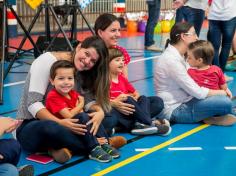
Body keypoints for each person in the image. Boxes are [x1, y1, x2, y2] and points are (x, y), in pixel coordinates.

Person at [15, 36, 122, 164]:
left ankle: (61, 149)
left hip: (68, 122)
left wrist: (99, 112)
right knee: (50, 128)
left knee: (109, 118)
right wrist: (61, 123)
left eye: (93, 61)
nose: (87, 61)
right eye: (86, 54)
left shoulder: (83, 70)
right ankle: (100, 143)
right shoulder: (47, 61)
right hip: (32, 125)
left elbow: (88, 102)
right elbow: (33, 104)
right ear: (79, 47)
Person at [94, 13, 165, 136]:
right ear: (100, 33)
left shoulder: (121, 52)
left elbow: (124, 81)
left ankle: (133, 124)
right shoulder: (93, 54)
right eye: (113, 31)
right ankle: (148, 123)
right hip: (104, 103)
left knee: (157, 102)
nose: (118, 34)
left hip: (123, 101)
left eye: (119, 30)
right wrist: (112, 103)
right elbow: (89, 93)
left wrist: (131, 96)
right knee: (109, 117)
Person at [154, 22, 236, 125]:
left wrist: (222, 88)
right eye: (194, 34)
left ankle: (208, 117)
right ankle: (209, 117)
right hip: (175, 110)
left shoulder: (180, 55)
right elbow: (198, 92)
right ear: (183, 36)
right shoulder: (171, 60)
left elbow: (197, 81)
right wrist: (222, 92)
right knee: (225, 102)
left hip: (187, 100)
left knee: (221, 99)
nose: (197, 37)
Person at [45, 60, 120, 162]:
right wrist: (81, 103)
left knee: (91, 116)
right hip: (64, 128)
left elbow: (80, 112)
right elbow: (69, 115)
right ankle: (93, 148)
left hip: (75, 127)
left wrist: (86, 113)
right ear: (52, 81)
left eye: (70, 78)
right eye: (61, 78)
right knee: (84, 116)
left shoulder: (72, 93)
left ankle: (105, 144)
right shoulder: (53, 96)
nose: (66, 82)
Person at [108, 48, 171, 136]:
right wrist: (117, 100)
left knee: (152, 100)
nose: (122, 62)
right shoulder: (105, 81)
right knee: (127, 100)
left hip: (132, 110)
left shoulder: (122, 78)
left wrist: (134, 98)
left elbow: (136, 93)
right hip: (119, 110)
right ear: (107, 63)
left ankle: (138, 124)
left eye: (122, 60)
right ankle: (150, 123)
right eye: (117, 60)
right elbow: (102, 101)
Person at [207, 0, 236, 79]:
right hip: (230, 14)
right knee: (226, 45)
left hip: (214, 14)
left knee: (214, 47)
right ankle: (221, 75)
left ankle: (216, 75)